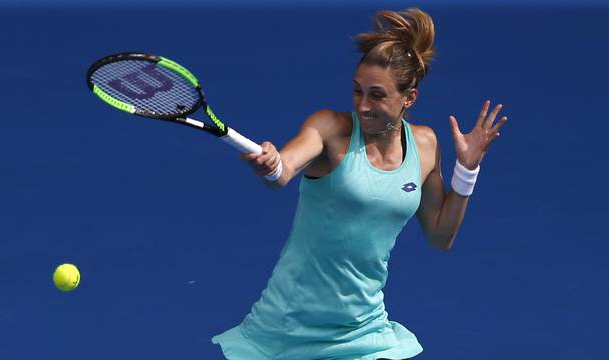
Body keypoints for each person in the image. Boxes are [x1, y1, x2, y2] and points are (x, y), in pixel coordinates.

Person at [212, 8, 508, 360]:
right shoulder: (331, 129)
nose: (363, 106)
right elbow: (284, 171)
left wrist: (466, 170)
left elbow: (441, 236)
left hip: (363, 328)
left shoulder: (426, 145)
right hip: (287, 326)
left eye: (377, 95)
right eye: (357, 91)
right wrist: (273, 164)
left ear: (408, 98)